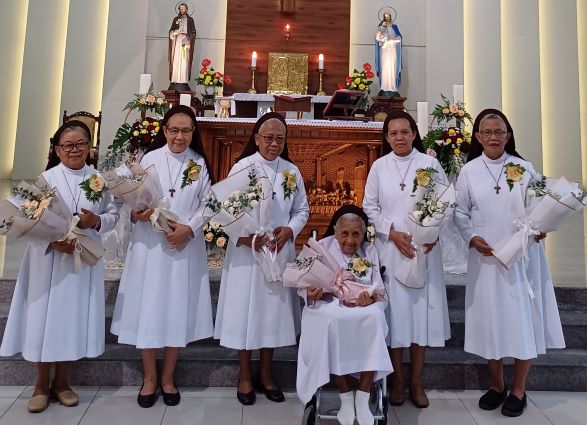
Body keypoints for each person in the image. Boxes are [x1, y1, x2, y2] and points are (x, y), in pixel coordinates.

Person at [0, 121, 119, 413]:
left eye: (81, 144)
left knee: (69, 319)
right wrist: (52, 242)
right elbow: (18, 220)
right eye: (68, 145)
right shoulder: (44, 180)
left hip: (81, 261)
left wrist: (97, 221)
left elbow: (114, 214)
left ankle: (63, 383)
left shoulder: (99, 179)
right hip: (47, 262)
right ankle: (41, 385)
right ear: (57, 149)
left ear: (89, 147)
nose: (74, 150)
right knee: (43, 319)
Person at [454, 109, 565, 417]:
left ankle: (518, 388)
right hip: (486, 257)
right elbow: (460, 212)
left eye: (499, 131)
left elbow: (542, 207)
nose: (493, 137)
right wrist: (471, 237)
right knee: (491, 320)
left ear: (508, 135)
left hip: (521, 257)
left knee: (521, 321)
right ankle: (496, 384)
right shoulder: (469, 171)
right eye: (487, 132)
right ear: (478, 137)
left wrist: (542, 228)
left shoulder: (524, 168)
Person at [110, 105, 214, 408]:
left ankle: (168, 378)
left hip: (183, 247)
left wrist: (189, 229)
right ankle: (149, 378)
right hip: (150, 247)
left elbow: (208, 203)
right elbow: (134, 202)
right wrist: (137, 213)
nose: (180, 136)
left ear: (193, 133)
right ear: (165, 131)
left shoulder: (198, 163)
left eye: (186, 131)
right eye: (174, 130)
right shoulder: (149, 159)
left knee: (176, 309)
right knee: (149, 307)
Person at [214, 112, 309, 405]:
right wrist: (246, 238)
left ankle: (266, 373)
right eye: (268, 138)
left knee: (271, 314)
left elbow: (302, 210)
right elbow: (224, 210)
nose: (274, 144)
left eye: (280, 139)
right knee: (246, 313)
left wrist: (289, 230)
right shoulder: (243, 168)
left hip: (278, 251)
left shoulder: (291, 171)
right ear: (256, 139)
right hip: (247, 254)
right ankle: (244, 375)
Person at [363, 110, 451, 408]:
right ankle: (398, 381)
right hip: (391, 249)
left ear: (414, 133)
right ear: (386, 137)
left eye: (404, 132)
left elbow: (445, 204)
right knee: (396, 318)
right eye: (393, 133)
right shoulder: (379, 166)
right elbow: (369, 207)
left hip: (423, 249)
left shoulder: (430, 164)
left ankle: (416, 382)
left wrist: (433, 233)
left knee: (420, 317)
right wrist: (392, 232)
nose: (399, 137)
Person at [297, 205, 392, 425]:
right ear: (336, 232)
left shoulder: (370, 251)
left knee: (375, 318)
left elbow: (379, 288)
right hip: (329, 304)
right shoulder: (322, 247)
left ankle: (363, 396)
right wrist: (310, 292)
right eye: (345, 233)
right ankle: (345, 396)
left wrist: (371, 298)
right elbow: (303, 284)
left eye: (356, 234)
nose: (350, 240)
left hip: (363, 306)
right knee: (334, 319)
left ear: (363, 234)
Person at [168, 2, 197, 87]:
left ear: (186, 9)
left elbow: (193, 32)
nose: (182, 10)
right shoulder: (176, 19)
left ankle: (183, 80)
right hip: (177, 41)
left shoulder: (190, 19)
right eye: (180, 9)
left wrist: (189, 40)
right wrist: (174, 32)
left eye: (183, 9)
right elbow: (171, 31)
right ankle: (175, 79)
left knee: (184, 59)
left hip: (185, 40)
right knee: (176, 58)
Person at [375, 10, 402, 96]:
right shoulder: (381, 27)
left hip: (392, 51)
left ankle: (393, 87)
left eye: (388, 16)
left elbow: (399, 38)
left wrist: (393, 40)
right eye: (385, 17)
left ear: (390, 17)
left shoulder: (394, 27)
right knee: (384, 67)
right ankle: (384, 87)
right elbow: (377, 38)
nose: (387, 18)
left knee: (392, 67)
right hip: (384, 51)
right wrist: (381, 32)